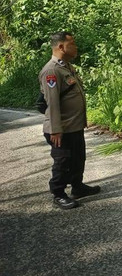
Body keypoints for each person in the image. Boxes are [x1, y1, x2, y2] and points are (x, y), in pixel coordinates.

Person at [39, 31, 101, 210]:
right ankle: (58, 194)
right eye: (72, 43)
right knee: (63, 162)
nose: (76, 47)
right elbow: (52, 103)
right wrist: (55, 129)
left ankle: (78, 187)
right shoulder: (51, 70)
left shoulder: (66, 66)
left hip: (74, 125)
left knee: (78, 158)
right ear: (60, 47)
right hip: (61, 128)